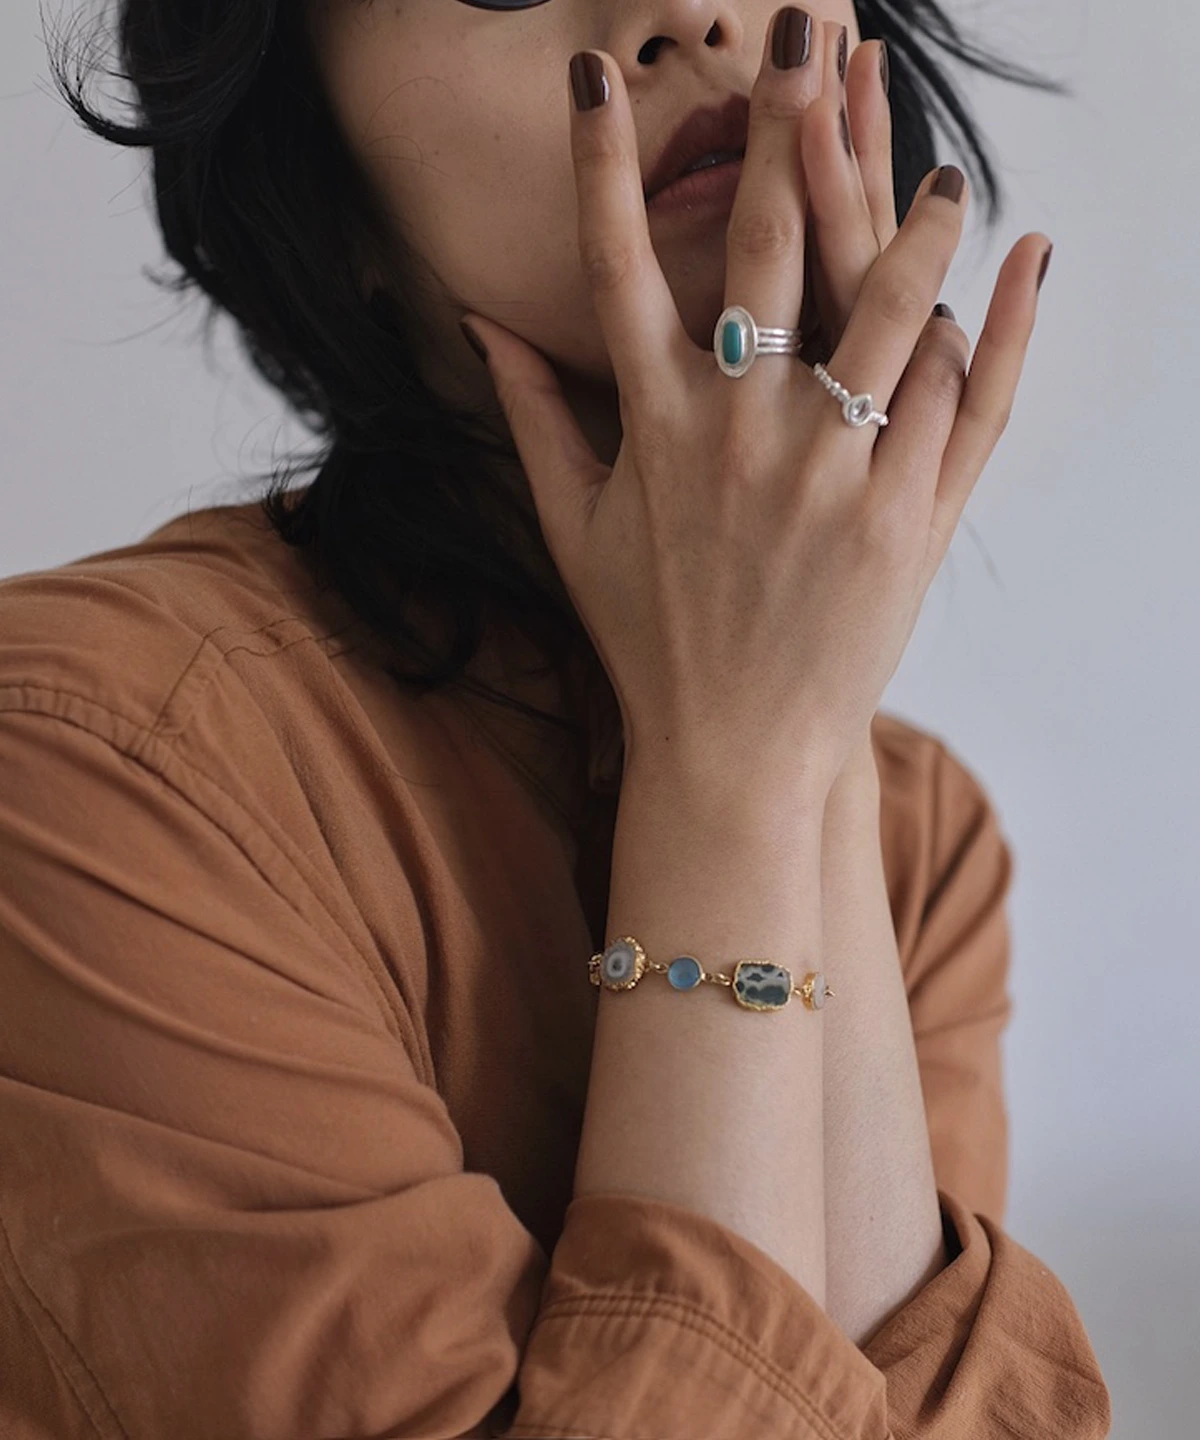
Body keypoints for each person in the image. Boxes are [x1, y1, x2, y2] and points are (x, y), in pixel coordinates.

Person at [0, 2, 1111, 1436]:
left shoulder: (925, 850)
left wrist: (801, 739)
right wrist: (746, 777)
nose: (685, 14)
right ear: (323, 191)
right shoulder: (93, 766)